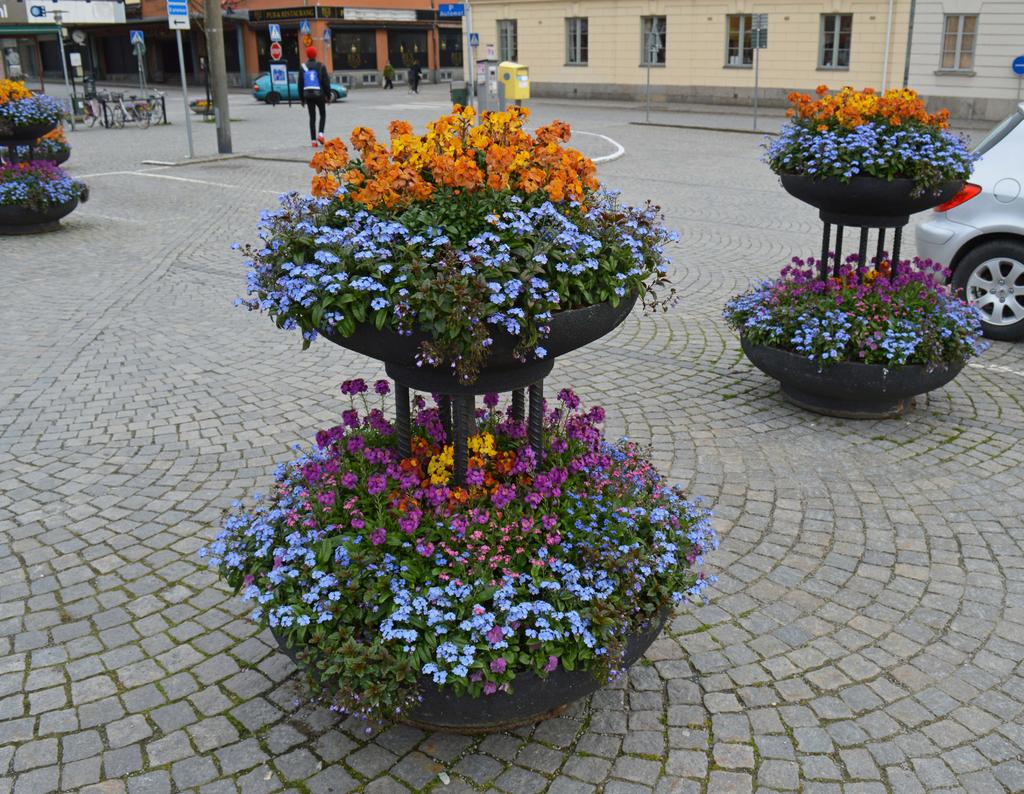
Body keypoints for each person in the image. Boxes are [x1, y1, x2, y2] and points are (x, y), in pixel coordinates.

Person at [300, 46, 329, 148]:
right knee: (323, 114)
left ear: (307, 55)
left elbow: (300, 84)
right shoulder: (321, 66)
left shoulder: (303, 67)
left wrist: (302, 99)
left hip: (308, 95)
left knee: (312, 118)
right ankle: (320, 134)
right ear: (315, 54)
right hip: (319, 94)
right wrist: (328, 95)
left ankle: (313, 141)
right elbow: (326, 82)